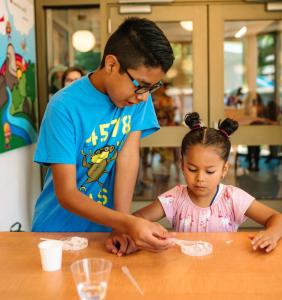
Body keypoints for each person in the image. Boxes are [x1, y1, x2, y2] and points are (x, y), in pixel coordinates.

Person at [32, 17, 175, 252]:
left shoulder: (137, 99)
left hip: (106, 231)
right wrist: (128, 222)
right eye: (140, 85)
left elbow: (127, 158)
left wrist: (120, 223)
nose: (143, 96)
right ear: (111, 65)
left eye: (151, 87)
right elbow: (66, 193)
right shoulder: (64, 107)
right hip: (58, 232)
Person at [108, 112, 282, 255]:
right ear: (182, 165)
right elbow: (137, 219)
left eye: (210, 171)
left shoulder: (232, 197)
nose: (200, 178)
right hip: (185, 269)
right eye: (192, 169)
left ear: (224, 169)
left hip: (225, 267)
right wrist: (143, 231)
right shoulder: (175, 198)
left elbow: (278, 219)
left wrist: (271, 234)